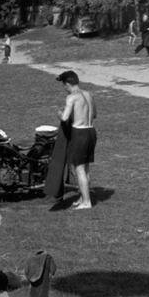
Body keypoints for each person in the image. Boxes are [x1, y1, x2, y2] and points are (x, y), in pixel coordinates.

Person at [56, 70, 97, 210]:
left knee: (79, 169)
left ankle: (86, 202)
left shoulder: (71, 97)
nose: (64, 88)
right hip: (91, 131)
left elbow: (64, 118)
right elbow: (94, 114)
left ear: (67, 84)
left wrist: (59, 113)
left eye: (64, 85)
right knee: (86, 168)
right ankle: (83, 197)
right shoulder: (89, 94)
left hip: (79, 134)